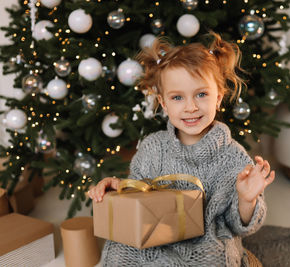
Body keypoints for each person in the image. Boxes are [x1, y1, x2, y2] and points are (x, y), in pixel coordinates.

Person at [88, 32, 275, 267]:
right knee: (119, 250)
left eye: (202, 94)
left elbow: (239, 225)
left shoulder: (234, 157)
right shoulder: (153, 147)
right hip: (155, 233)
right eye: (178, 97)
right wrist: (119, 187)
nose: (190, 107)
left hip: (205, 241)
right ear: (164, 103)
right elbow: (137, 196)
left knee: (212, 258)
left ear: (218, 97)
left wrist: (247, 199)